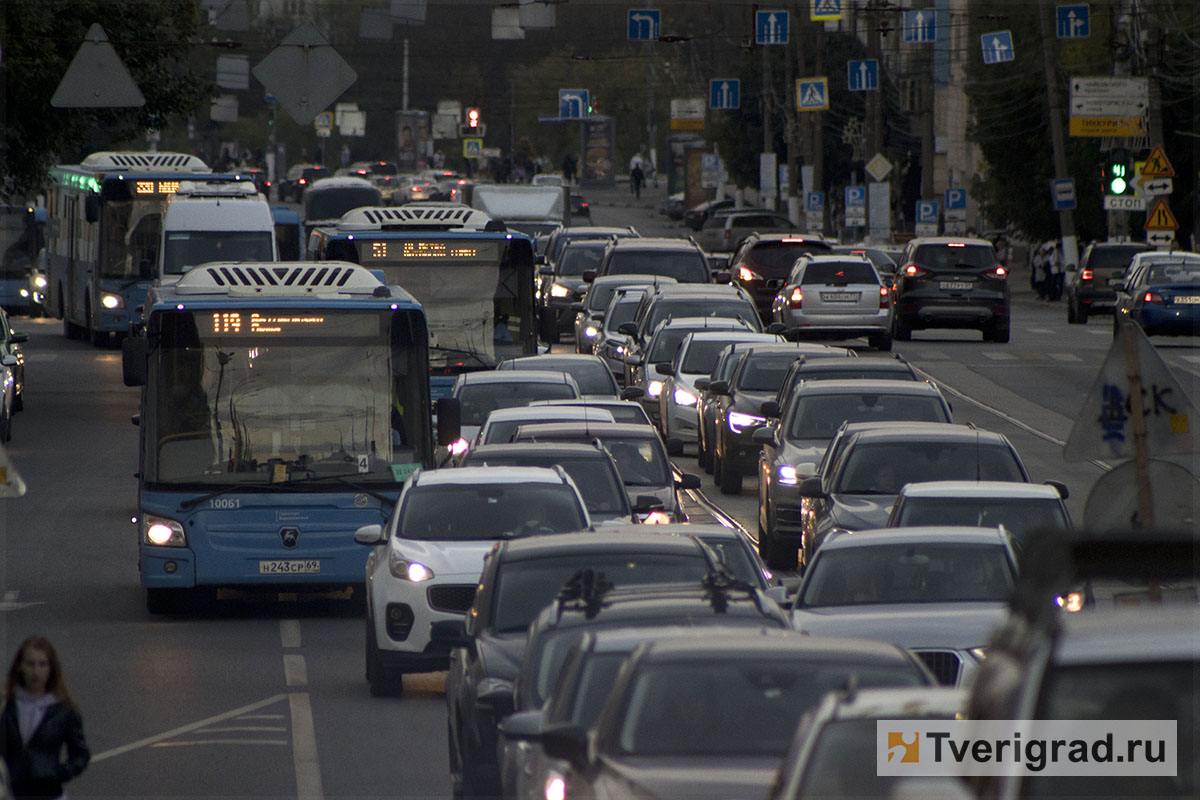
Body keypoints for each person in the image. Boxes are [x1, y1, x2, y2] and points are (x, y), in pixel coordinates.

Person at [0, 637, 89, 800]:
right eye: (30, 664)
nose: (36, 671)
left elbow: (81, 753)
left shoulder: (63, 711)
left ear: (51, 669)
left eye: (42, 664)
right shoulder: (7, 707)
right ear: (20, 667)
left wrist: (59, 773)